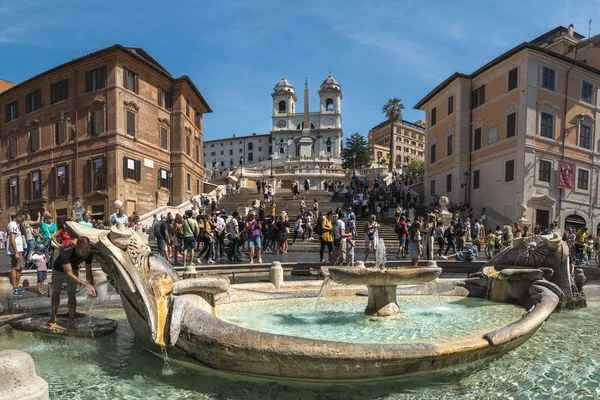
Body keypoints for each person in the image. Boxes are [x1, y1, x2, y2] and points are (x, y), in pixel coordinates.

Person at [48, 237, 96, 328]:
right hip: (59, 270)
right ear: (76, 246)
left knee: (72, 293)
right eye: (82, 251)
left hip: (73, 269)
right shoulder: (65, 251)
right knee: (56, 292)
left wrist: (90, 285)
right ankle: (53, 316)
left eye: (86, 251)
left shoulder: (88, 253)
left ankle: (71, 319)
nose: (84, 254)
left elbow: (88, 271)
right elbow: (68, 273)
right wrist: (83, 283)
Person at [7, 212, 25, 296]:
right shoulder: (13, 225)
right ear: (17, 217)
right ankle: (15, 287)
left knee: (20, 267)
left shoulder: (16, 224)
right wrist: (16, 252)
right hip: (15, 250)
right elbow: (12, 239)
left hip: (18, 250)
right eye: (22, 218)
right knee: (15, 267)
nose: (22, 220)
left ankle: (17, 285)